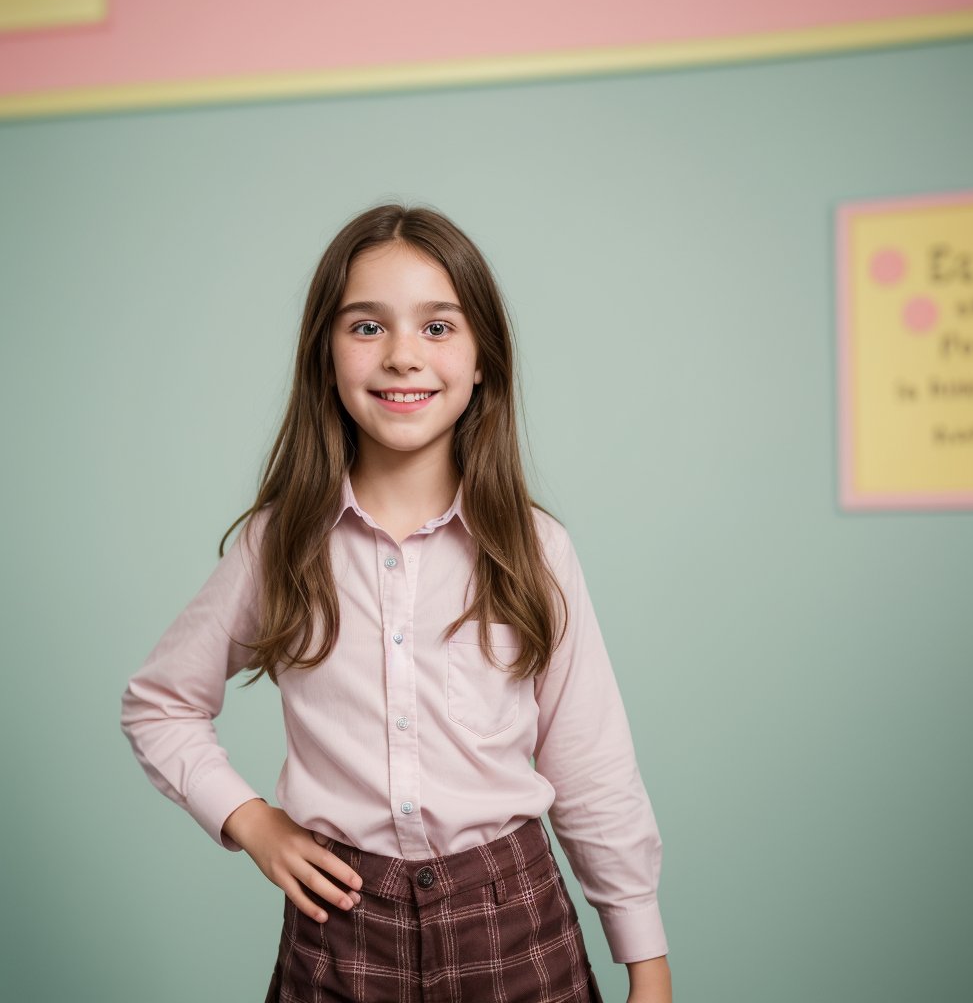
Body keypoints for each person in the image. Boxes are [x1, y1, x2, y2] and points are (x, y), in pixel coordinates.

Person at [120, 203, 671, 1002]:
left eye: (439, 328)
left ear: (484, 359)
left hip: (514, 922)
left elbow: (592, 765)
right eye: (367, 327)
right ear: (326, 357)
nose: (403, 357)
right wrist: (251, 820)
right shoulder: (281, 543)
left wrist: (645, 964)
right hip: (338, 935)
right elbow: (159, 704)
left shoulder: (536, 548)